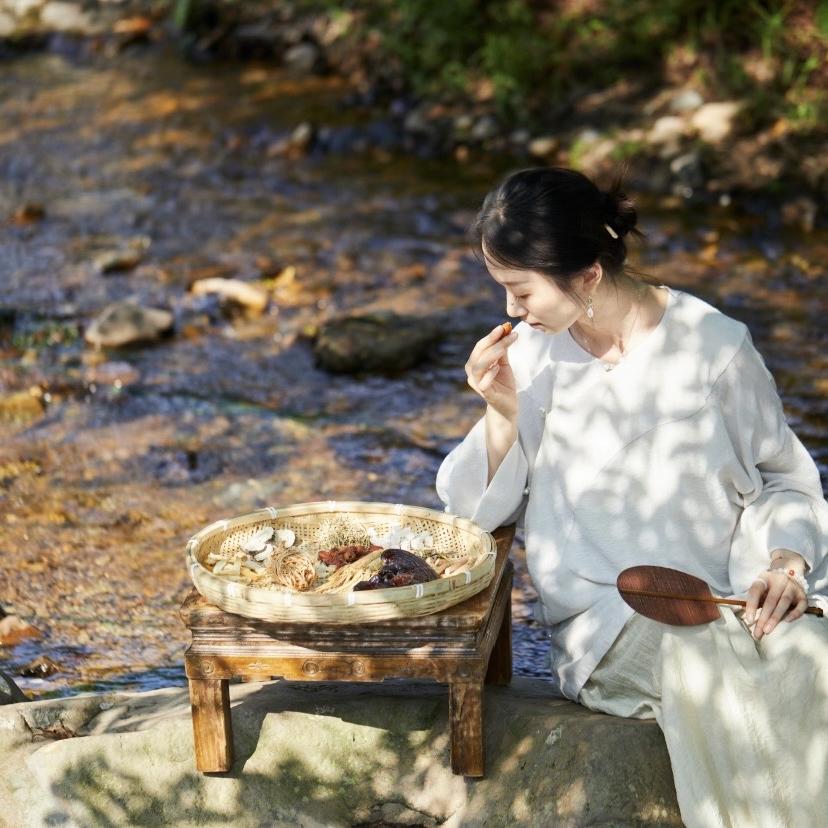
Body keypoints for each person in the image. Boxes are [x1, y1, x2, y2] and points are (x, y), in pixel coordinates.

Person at [435, 166, 828, 827]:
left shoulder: (715, 348)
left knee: (808, 657)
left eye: (519, 289)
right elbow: (474, 517)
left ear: (587, 275)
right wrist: (500, 412)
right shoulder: (532, 359)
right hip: (611, 621)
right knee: (700, 666)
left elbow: (783, 477)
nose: (510, 310)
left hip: (732, 597)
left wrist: (785, 566)